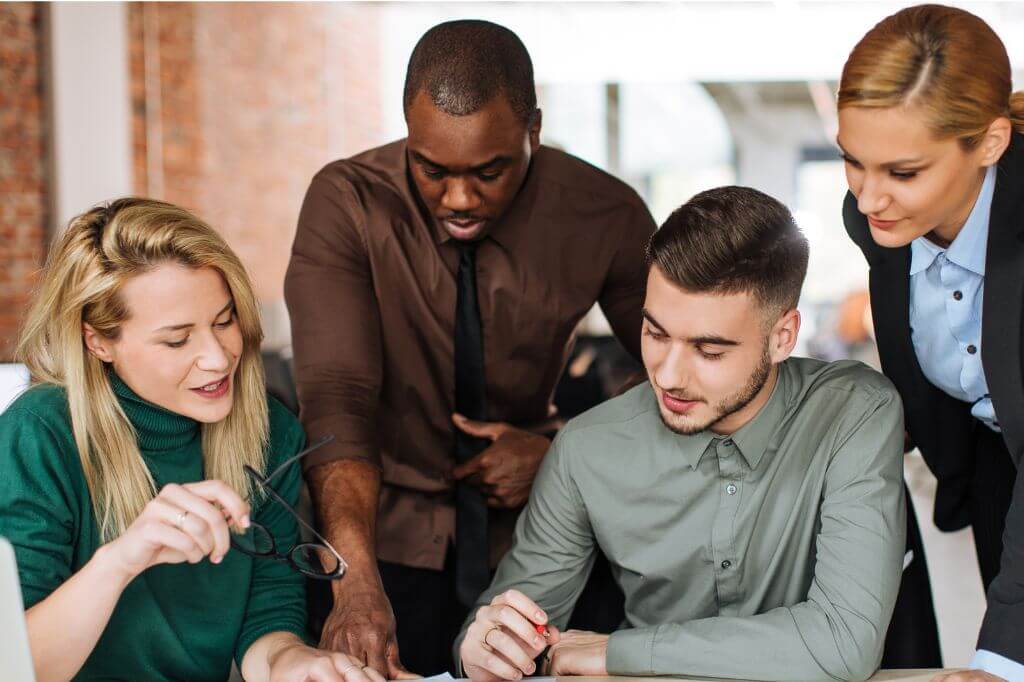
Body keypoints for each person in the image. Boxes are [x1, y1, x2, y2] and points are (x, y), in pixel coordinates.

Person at [284, 19, 655, 676]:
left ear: (532, 130)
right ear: (406, 127)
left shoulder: (605, 212)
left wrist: (564, 450)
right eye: (431, 169)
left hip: (545, 537)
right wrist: (355, 586)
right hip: (376, 538)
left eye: (490, 170)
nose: (459, 198)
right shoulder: (346, 203)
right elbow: (337, 397)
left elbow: (681, 374)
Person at [456, 186, 906, 682]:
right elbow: (505, 629)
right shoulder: (586, 449)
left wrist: (619, 653)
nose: (669, 375)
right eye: (656, 333)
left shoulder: (853, 412)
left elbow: (844, 642)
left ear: (783, 336)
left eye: (709, 351)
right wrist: (486, 648)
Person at [0, 198, 383, 682]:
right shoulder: (40, 435)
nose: (218, 360)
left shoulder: (270, 431)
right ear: (98, 341)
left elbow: (269, 620)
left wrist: (294, 662)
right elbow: (14, 664)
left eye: (224, 321)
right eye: (177, 340)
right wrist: (121, 561)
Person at [837, 5, 1024, 680]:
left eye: (903, 172)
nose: (868, 197)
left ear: (992, 142)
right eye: (853, 162)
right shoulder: (875, 221)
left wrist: (1002, 656)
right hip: (994, 473)